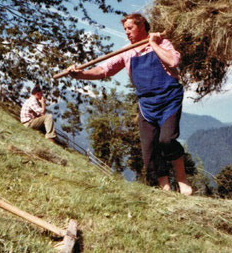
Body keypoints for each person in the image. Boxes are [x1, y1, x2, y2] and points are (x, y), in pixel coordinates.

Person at [68, 13, 192, 195]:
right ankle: (165, 189)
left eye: (130, 28)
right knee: (149, 149)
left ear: (142, 26)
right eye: (125, 29)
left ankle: (182, 180)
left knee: (167, 140)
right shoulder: (127, 51)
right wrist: (81, 74)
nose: (126, 32)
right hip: (146, 104)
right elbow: (104, 70)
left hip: (169, 99)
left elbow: (174, 61)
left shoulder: (161, 43)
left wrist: (153, 44)